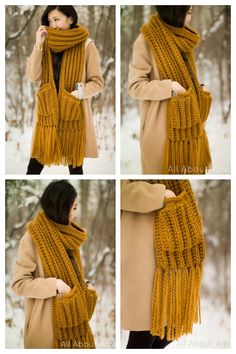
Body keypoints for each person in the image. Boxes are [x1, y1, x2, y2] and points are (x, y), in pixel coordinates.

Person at [11, 180, 97, 348]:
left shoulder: (70, 235)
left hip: (74, 321)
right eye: (71, 208)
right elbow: (19, 284)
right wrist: (54, 285)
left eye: (76, 207)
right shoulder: (32, 239)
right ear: (59, 207)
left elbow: (73, 274)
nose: (75, 214)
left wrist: (85, 285)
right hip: (46, 327)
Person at [121, 180, 206, 348]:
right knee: (145, 330)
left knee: (168, 330)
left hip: (175, 244)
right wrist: (158, 194)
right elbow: (122, 188)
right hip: (143, 243)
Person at [128, 6, 212, 174]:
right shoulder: (146, 40)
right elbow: (135, 87)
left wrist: (198, 89)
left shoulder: (183, 38)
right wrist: (169, 87)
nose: (190, 18)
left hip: (190, 126)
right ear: (175, 12)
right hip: (162, 134)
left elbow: (187, 77)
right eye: (187, 13)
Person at [26, 6, 104, 174]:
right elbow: (33, 76)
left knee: (75, 167)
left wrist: (80, 92)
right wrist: (38, 45)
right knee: (34, 166)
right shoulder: (45, 43)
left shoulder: (86, 45)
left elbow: (97, 82)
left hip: (73, 113)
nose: (52, 25)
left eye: (56, 19)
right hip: (47, 114)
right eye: (49, 21)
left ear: (70, 19)